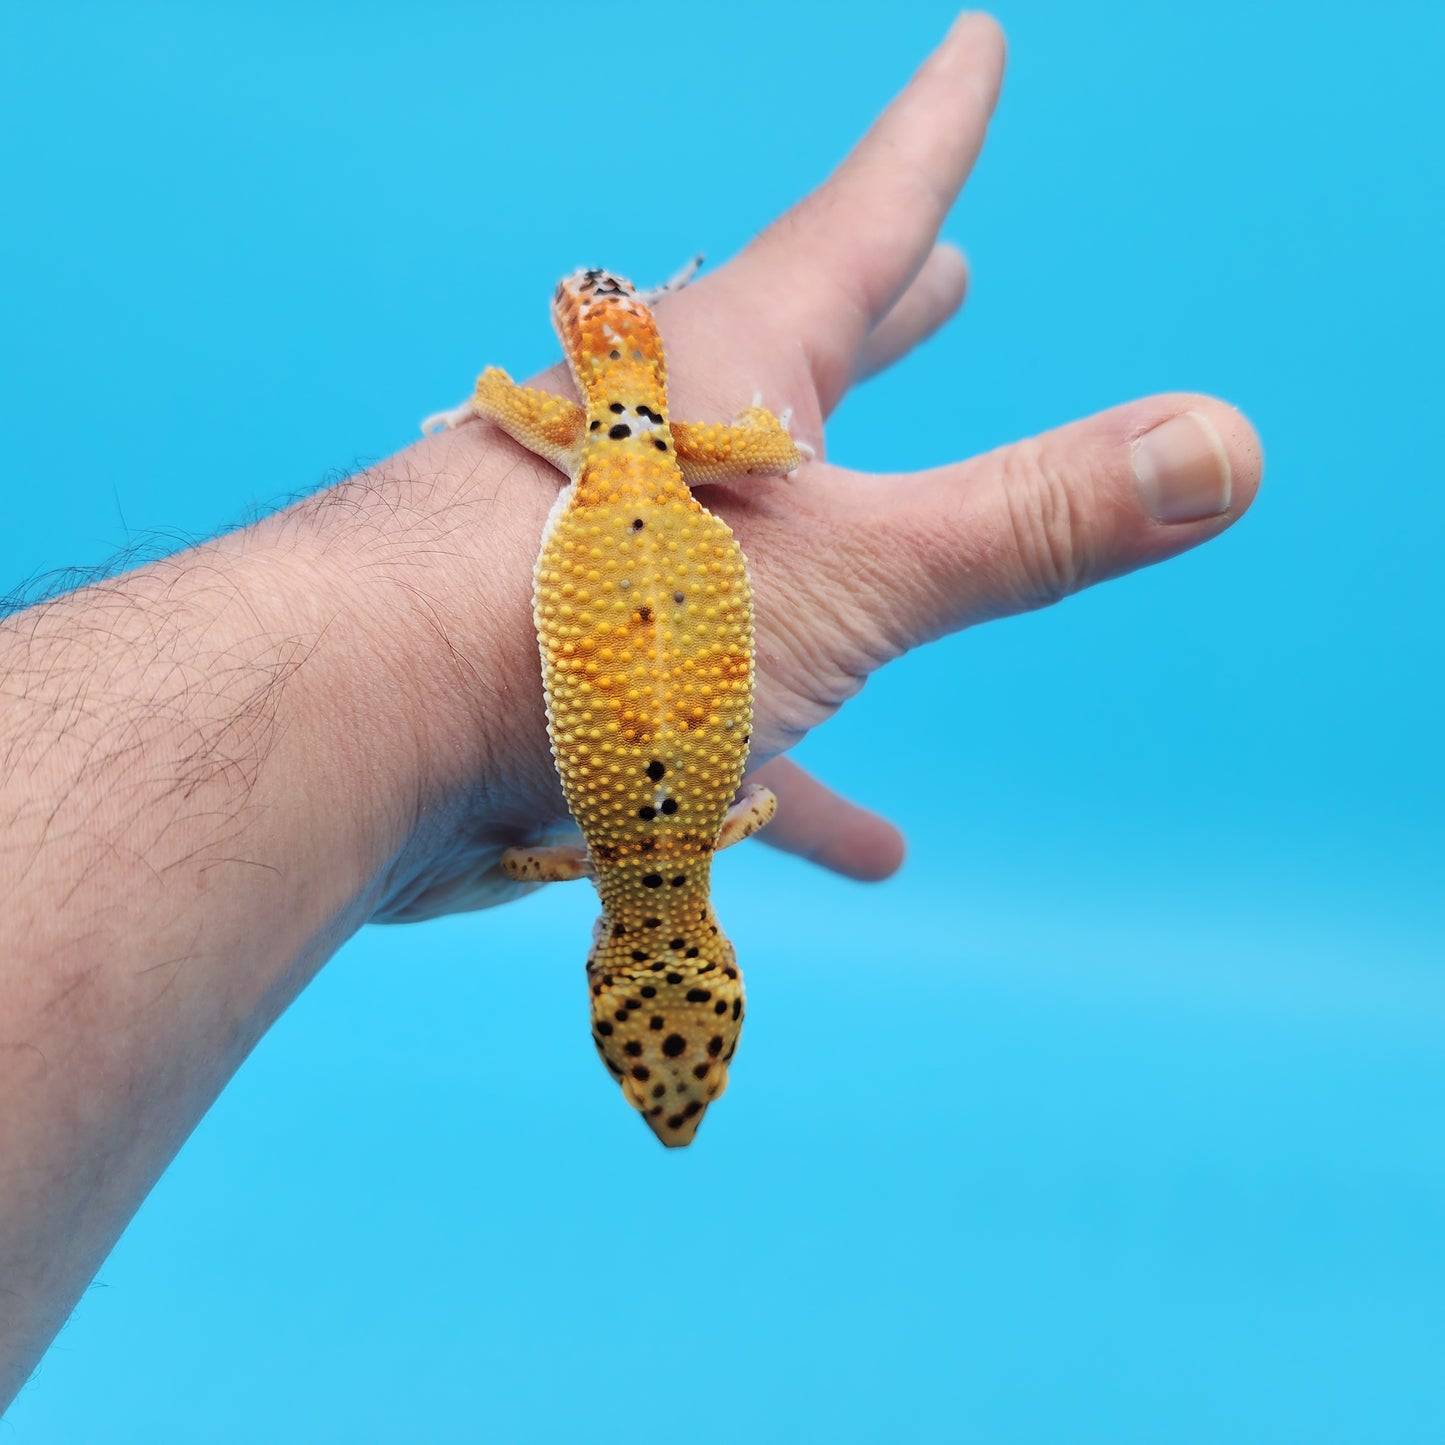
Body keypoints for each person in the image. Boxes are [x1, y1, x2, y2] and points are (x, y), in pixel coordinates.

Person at [0, 12, 1260, 1405]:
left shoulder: (722, 818)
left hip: (642, 471)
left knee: (606, 417)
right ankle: (532, 393)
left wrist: (514, 440)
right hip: (626, 475)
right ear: (616, 971)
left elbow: (743, 796)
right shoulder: (584, 859)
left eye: (662, 1060)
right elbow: (537, 852)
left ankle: (536, 392)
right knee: (588, 413)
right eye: (680, 1061)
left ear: (646, 979)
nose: (669, 1079)